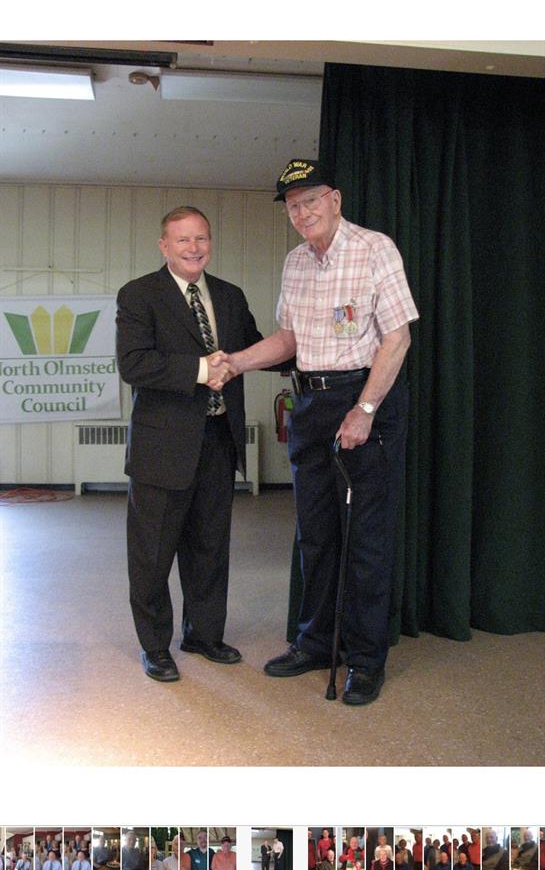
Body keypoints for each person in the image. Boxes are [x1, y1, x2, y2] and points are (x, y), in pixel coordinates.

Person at [226, 158, 419, 704]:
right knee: (316, 533)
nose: (302, 212)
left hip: (364, 402)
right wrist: (236, 362)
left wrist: (364, 409)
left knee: (365, 539)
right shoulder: (294, 262)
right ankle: (316, 644)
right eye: (292, 205)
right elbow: (289, 339)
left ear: (334, 199)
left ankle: (364, 659)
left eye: (311, 200)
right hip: (310, 402)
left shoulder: (374, 248)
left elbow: (397, 338)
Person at [116, 206, 264, 682]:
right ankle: (155, 647)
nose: (194, 248)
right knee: (152, 555)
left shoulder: (230, 296)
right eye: (183, 240)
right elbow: (134, 364)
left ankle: (203, 634)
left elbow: (256, 348)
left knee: (208, 548)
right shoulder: (140, 295)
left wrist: (309, 345)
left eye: (201, 238)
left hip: (218, 442)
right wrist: (204, 370)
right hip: (162, 450)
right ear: (164, 246)